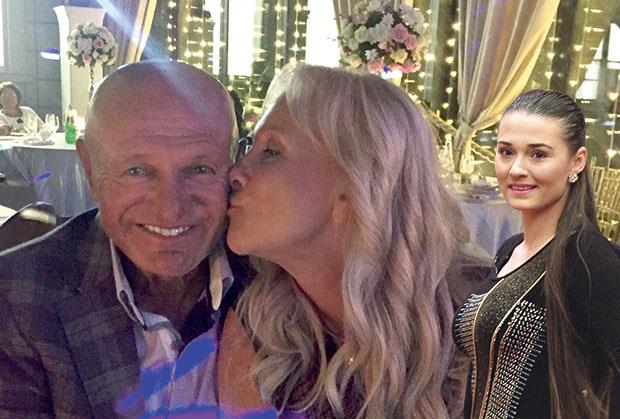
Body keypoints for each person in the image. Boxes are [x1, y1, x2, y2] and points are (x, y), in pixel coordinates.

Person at [218, 64, 472, 418]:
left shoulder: (486, 326)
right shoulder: (261, 328)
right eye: (248, 146)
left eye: (271, 151)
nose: (235, 173)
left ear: (355, 188)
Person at [0, 61, 247, 417]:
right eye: (137, 171)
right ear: (90, 170)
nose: (170, 210)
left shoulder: (273, 281)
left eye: (199, 169)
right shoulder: (19, 297)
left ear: (234, 166)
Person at [453, 89, 620, 418]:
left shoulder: (585, 256)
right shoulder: (510, 250)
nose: (516, 168)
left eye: (538, 155)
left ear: (577, 161)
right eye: (506, 152)